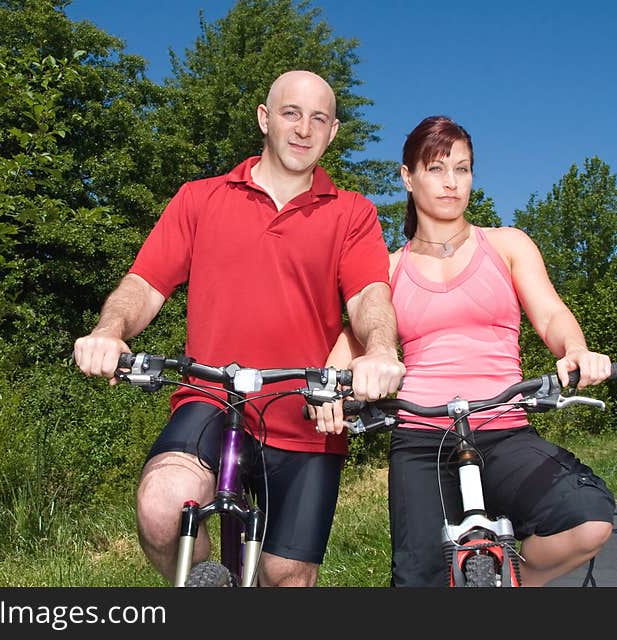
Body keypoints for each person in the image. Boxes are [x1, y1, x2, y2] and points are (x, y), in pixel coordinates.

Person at [73, 70, 405, 587]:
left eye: (318, 118)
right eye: (291, 113)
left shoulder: (352, 212)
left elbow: (368, 296)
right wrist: (110, 329)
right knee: (162, 508)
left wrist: (379, 350)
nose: (303, 129)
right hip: (210, 396)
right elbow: (146, 283)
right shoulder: (200, 198)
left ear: (333, 131)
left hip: (305, 413)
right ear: (264, 118)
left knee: (286, 578)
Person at [313, 115, 615, 587]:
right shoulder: (387, 269)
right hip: (420, 439)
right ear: (408, 177)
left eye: (463, 168)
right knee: (418, 583)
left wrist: (576, 349)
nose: (452, 183)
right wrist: (331, 392)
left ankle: (510, 582)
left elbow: (552, 315)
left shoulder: (507, 245)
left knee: (587, 518)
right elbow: (353, 344)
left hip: (504, 428)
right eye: (436, 168)